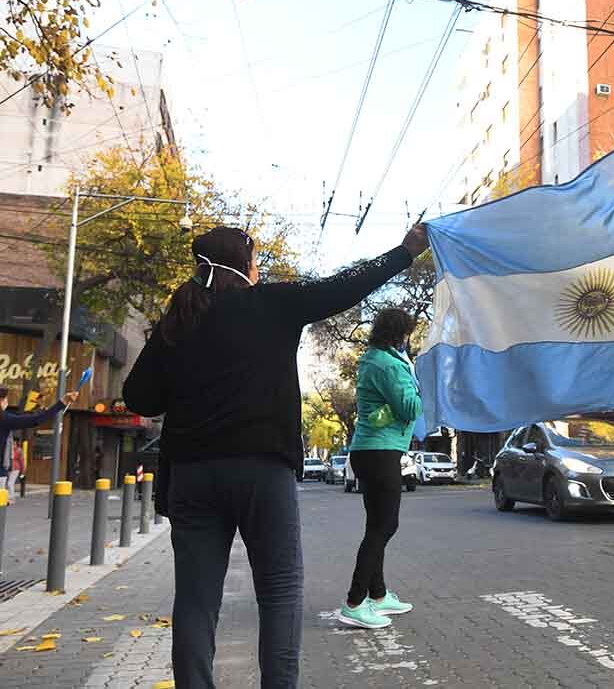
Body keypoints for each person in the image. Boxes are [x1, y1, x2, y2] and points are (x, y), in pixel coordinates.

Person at [123, 224, 429, 689]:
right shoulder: (272, 302)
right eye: (256, 259)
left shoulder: (179, 318)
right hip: (262, 472)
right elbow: (345, 286)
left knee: (196, 600)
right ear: (243, 265)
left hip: (191, 478)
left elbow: (139, 397)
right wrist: (405, 251)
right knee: (280, 591)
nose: (259, 267)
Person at [340, 307, 421, 630]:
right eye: (406, 334)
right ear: (399, 334)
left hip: (369, 450)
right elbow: (409, 406)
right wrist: (420, 390)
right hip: (380, 451)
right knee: (384, 527)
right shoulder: (389, 365)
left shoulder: (375, 358)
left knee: (376, 524)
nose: (407, 340)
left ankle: (379, 594)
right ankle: (355, 601)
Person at [1, 390, 79, 492]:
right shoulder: (4, 418)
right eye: (5, 399)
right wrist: (62, 402)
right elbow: (36, 420)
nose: (7, 402)